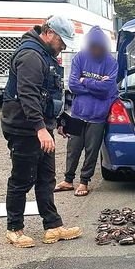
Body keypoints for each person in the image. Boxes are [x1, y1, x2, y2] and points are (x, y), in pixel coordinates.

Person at [0, 16, 82, 248]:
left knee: (46, 178)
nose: (63, 47)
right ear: (49, 33)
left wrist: (57, 122)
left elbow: (48, 95)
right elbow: (28, 95)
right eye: (62, 41)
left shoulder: (45, 55)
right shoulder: (30, 56)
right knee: (22, 178)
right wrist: (39, 129)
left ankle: (53, 226)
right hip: (24, 128)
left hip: (40, 127)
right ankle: (14, 228)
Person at [56, 26, 118, 197]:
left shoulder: (111, 62)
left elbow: (107, 90)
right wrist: (95, 86)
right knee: (73, 148)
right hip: (77, 113)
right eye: (93, 46)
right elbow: (73, 85)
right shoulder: (80, 57)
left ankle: (84, 181)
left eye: (99, 46)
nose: (96, 49)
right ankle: (68, 180)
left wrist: (85, 81)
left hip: (98, 116)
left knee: (92, 150)